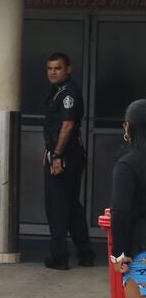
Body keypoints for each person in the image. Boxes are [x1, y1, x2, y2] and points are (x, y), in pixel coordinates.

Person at [110, 100, 146, 298]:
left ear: (130, 128)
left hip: (140, 256)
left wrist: (120, 254)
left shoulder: (128, 164)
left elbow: (119, 212)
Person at [41, 52, 94, 270]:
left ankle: (59, 257)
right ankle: (86, 253)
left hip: (65, 157)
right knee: (71, 206)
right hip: (66, 154)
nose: (53, 72)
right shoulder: (59, 92)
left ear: (68, 69)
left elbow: (68, 125)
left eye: (58, 68)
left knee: (58, 207)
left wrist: (57, 155)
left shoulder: (68, 93)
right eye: (50, 68)